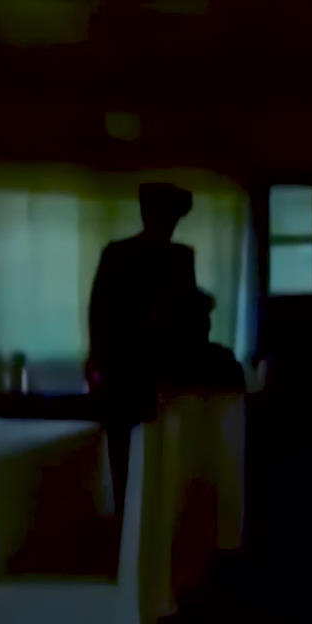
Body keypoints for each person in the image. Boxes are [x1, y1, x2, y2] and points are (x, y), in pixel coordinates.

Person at [86, 181, 198, 503]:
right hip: (126, 372)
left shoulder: (178, 258)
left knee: (158, 462)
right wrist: (98, 363)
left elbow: (187, 317)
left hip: (164, 374)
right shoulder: (122, 254)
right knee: (127, 461)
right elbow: (99, 312)